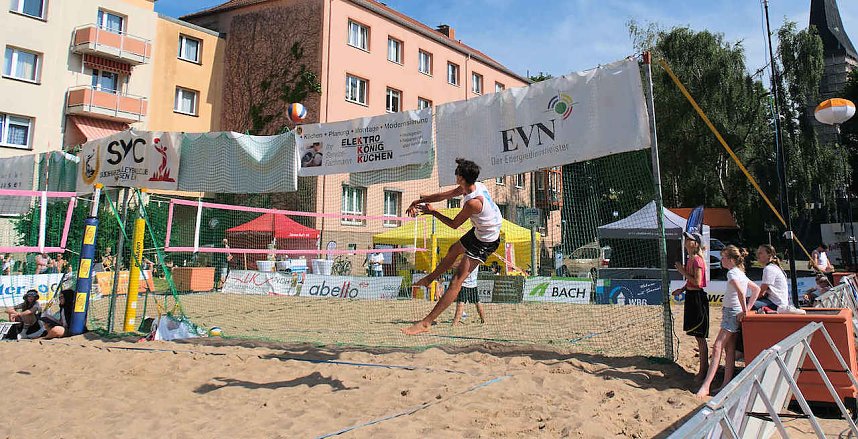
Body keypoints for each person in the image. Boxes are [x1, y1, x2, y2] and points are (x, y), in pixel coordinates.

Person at [401, 158, 502, 335]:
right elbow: (442, 196)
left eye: (457, 174)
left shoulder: (473, 202)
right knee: (453, 250)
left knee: (457, 280)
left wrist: (433, 212)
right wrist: (417, 201)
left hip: (486, 240)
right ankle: (429, 279)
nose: (455, 176)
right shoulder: (475, 185)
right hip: (481, 231)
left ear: (461, 178)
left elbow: (454, 224)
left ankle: (426, 323)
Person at [696, 246, 760, 398]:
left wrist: (745, 310)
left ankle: (706, 385)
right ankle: (725, 385)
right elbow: (756, 289)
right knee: (729, 349)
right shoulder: (740, 273)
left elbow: (741, 292)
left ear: (731, 260)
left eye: (723, 257)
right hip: (732, 311)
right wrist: (746, 309)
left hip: (732, 312)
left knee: (718, 347)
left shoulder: (732, 273)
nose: (721, 260)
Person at [672, 231, 709, 381]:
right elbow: (691, 282)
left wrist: (682, 271)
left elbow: (698, 282)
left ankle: (703, 371)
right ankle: (703, 370)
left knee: (700, 337)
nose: (686, 241)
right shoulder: (691, 259)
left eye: (690, 239)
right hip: (691, 296)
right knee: (697, 336)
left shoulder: (697, 260)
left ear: (696, 244)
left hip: (697, 298)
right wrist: (682, 289)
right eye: (686, 239)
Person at [746, 245, 791, 312]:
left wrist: (749, 300)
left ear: (769, 255)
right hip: (776, 302)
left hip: (776, 304)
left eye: (760, 253)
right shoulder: (774, 267)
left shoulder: (769, 269)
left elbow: (761, 292)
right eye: (757, 253)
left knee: (744, 305)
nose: (757, 255)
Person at [452, 261, 487, 326]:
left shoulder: (468, 259)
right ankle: (483, 320)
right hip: (473, 284)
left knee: (460, 303)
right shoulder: (477, 259)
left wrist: (449, 264)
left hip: (465, 284)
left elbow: (455, 265)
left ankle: (455, 323)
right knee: (477, 302)